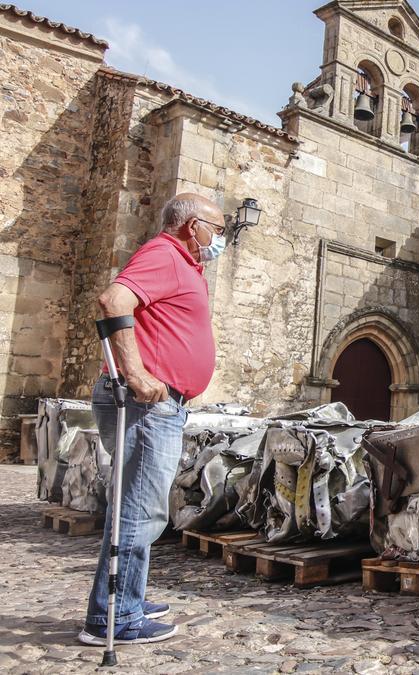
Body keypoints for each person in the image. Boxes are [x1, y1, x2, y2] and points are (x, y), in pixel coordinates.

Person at [78, 193, 225, 646]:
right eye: (217, 230)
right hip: (147, 402)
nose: (220, 240)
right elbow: (113, 299)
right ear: (192, 225)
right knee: (141, 510)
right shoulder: (164, 253)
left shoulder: (184, 264)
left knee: (137, 507)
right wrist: (136, 373)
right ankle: (113, 618)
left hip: (160, 404)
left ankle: (127, 601)